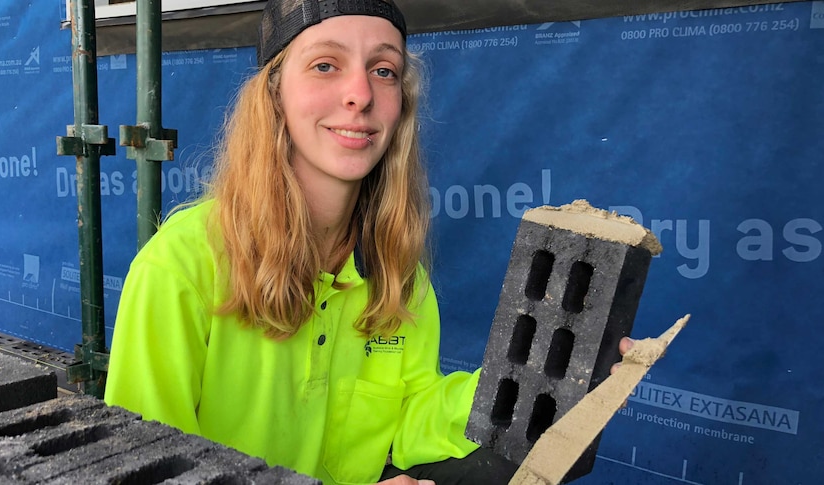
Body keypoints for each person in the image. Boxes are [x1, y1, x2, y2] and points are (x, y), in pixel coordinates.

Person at [104, 1, 633, 484]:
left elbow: (407, 419)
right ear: (273, 93)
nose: (360, 94)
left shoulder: (398, 278)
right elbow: (147, 471)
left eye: (384, 71)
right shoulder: (180, 267)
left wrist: (544, 382)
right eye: (325, 65)